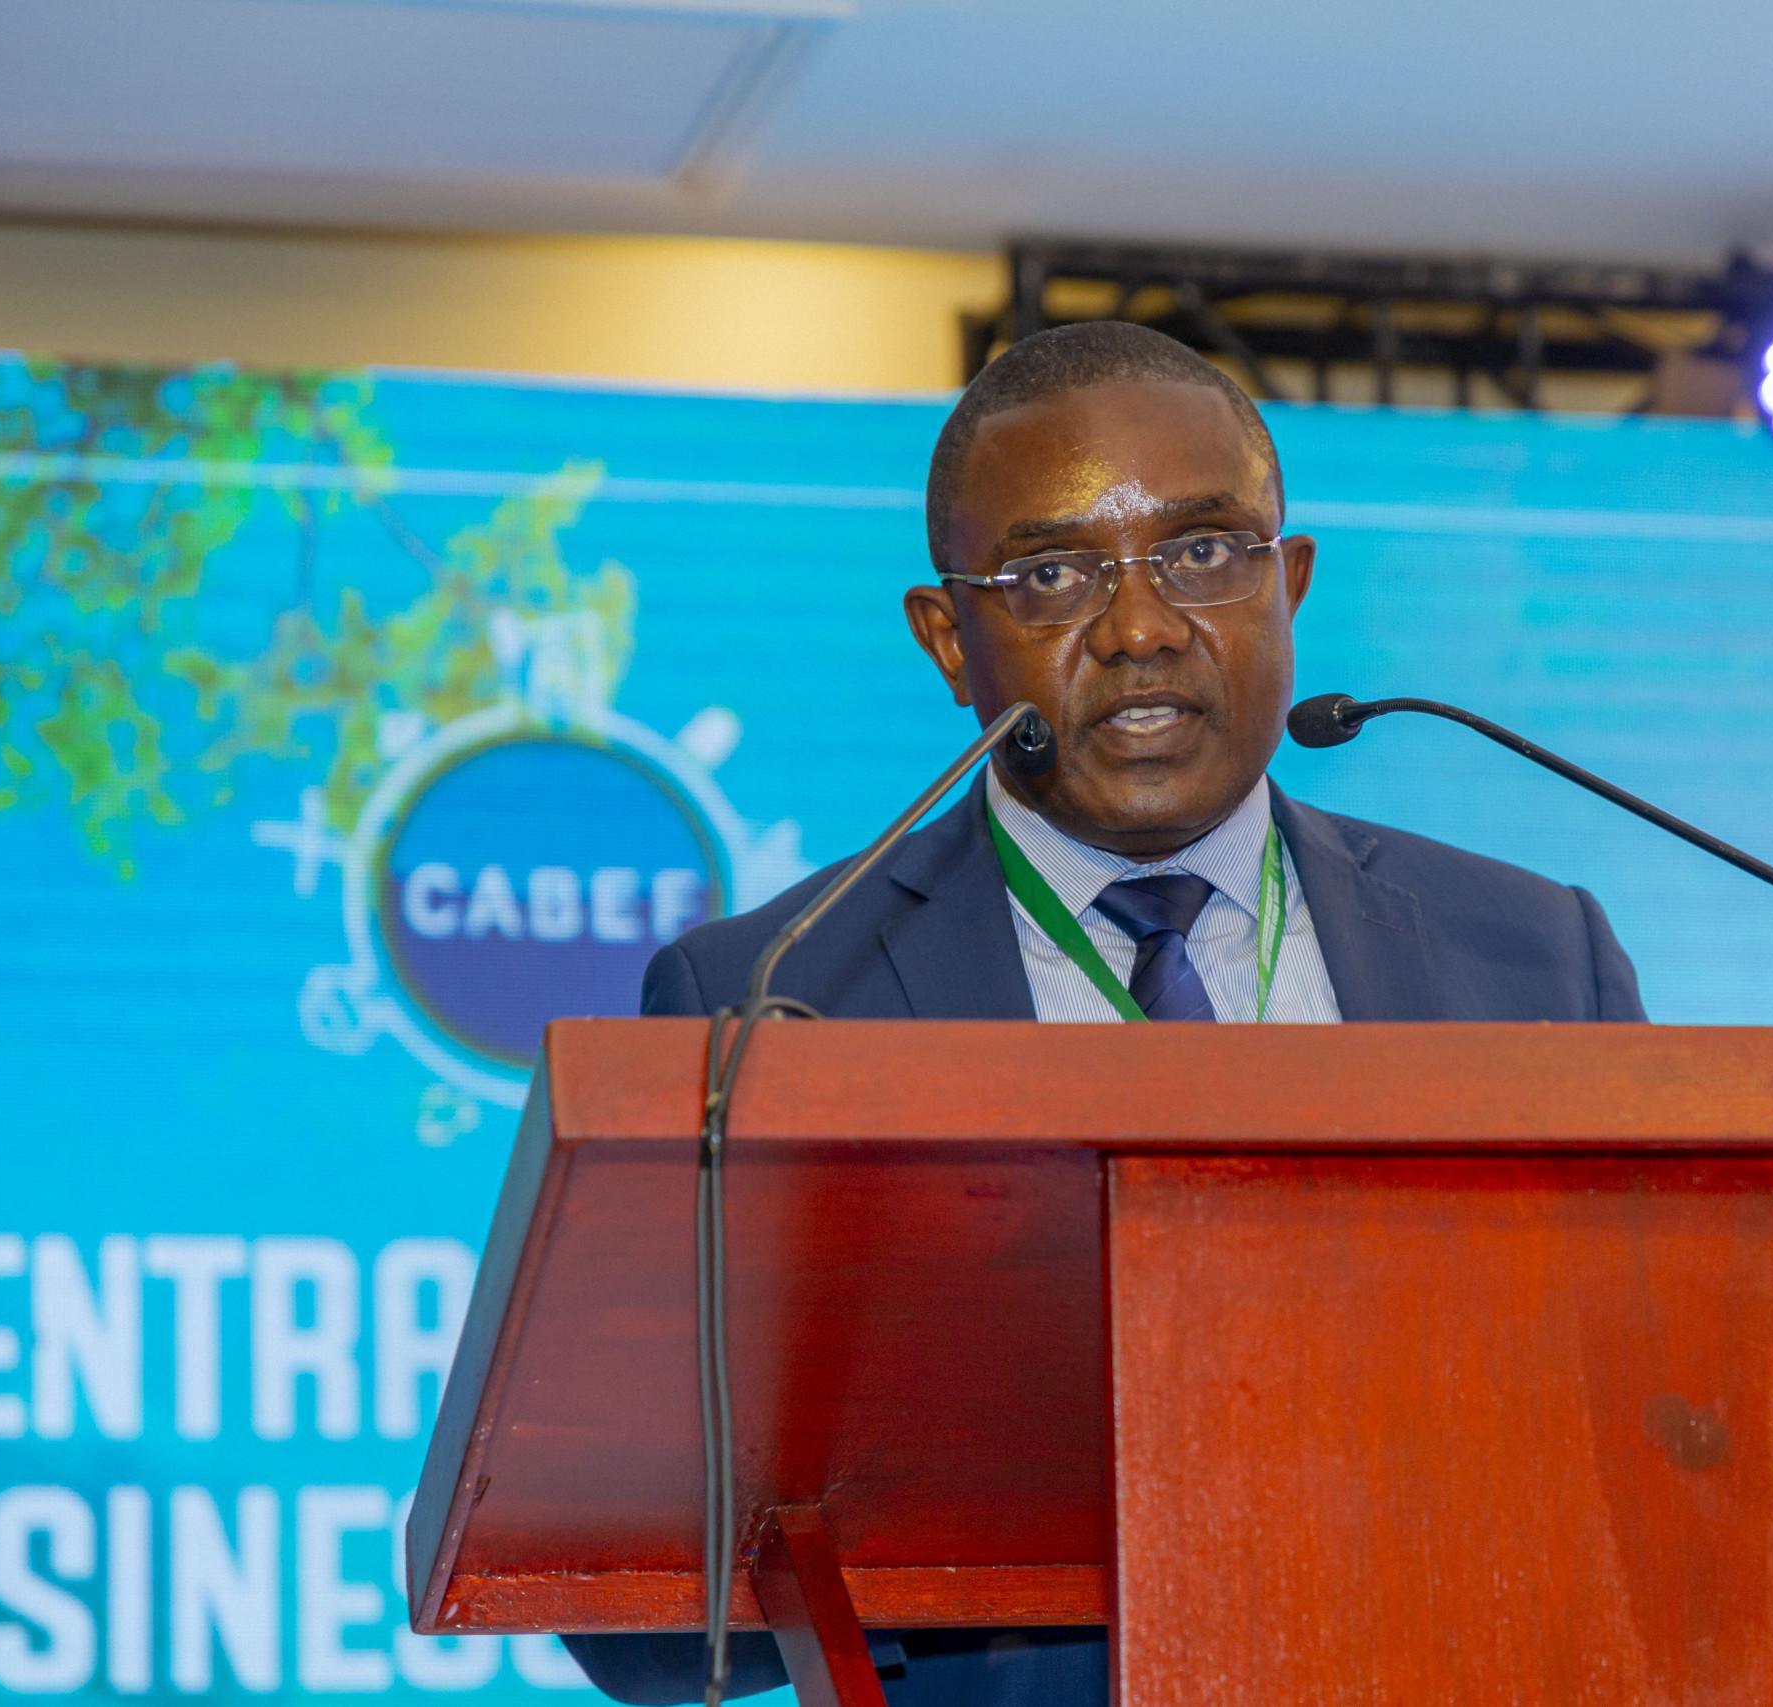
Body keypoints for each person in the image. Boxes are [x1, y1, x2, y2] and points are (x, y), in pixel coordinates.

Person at [564, 320, 1646, 1707]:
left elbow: (1663, 1453)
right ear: (949, 640)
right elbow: (641, 1618)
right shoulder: (774, 996)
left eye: (1202, 552)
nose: (1140, 628)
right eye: (1055, 575)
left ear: (1289, 584)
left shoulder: (1533, 959)